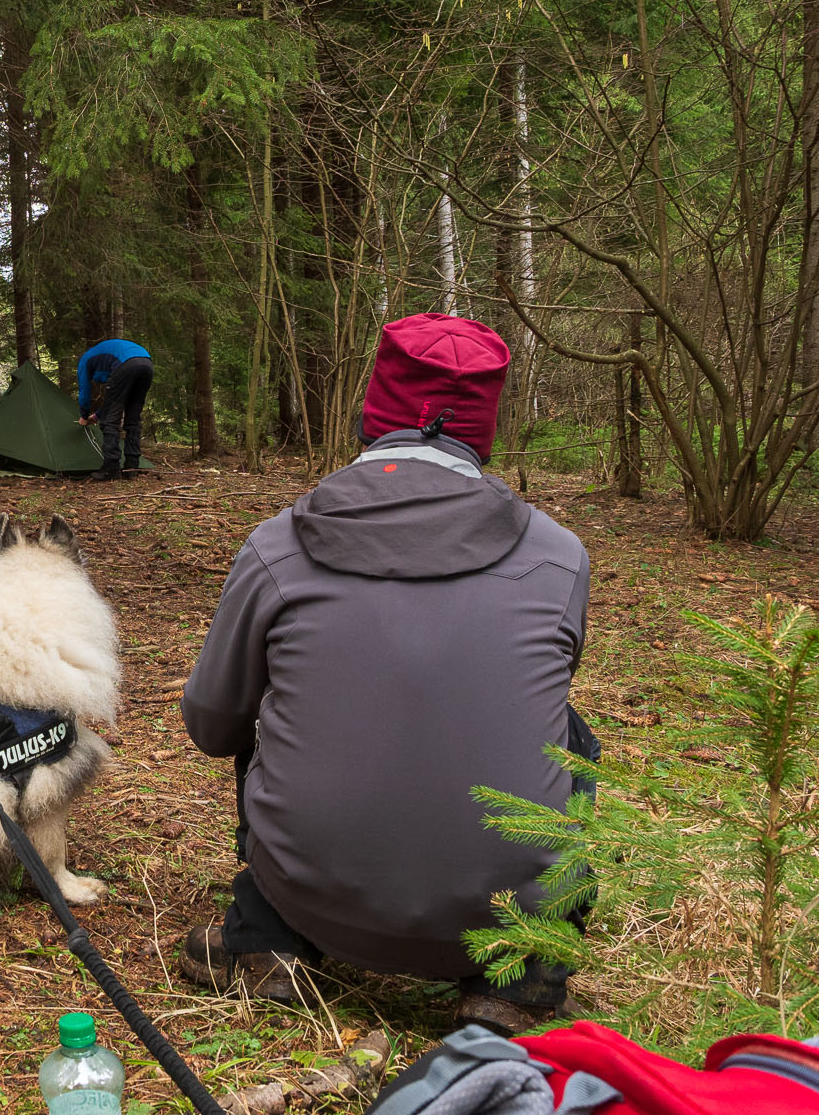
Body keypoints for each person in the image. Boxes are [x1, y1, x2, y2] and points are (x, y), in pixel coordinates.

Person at [175, 312, 596, 1036]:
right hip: (503, 920)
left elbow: (214, 726)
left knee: (264, 710)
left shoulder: (278, 546)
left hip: (314, 898)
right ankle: (519, 980)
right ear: (483, 428)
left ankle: (267, 933)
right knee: (570, 735)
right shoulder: (559, 558)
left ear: (375, 411)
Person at [74, 338, 153, 480]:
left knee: (110, 421)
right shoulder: (103, 354)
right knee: (133, 418)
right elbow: (116, 399)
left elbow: (84, 392)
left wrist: (84, 416)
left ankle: (111, 469)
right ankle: (132, 467)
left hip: (126, 364)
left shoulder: (85, 360)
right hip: (147, 363)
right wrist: (97, 415)